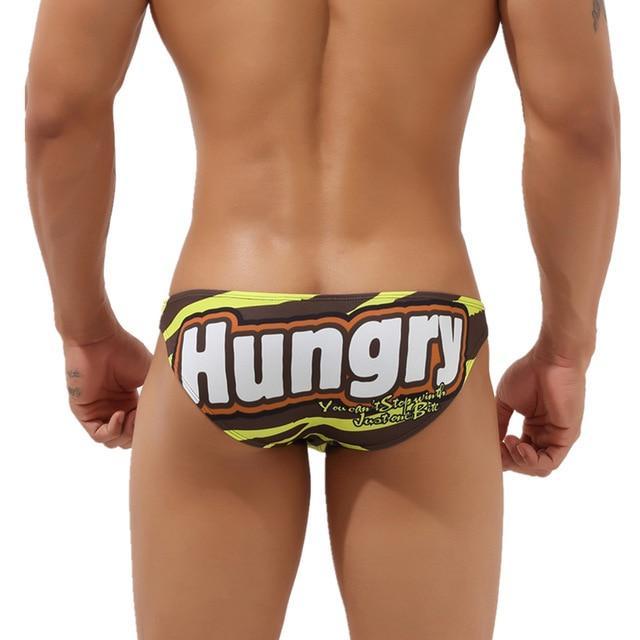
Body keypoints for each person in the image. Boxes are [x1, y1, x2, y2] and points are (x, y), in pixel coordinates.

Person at [25, 0, 620, 638]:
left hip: (223, 330)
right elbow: (578, 126)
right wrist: (564, 349)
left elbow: (60, 113)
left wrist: (86, 330)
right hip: (419, 330)